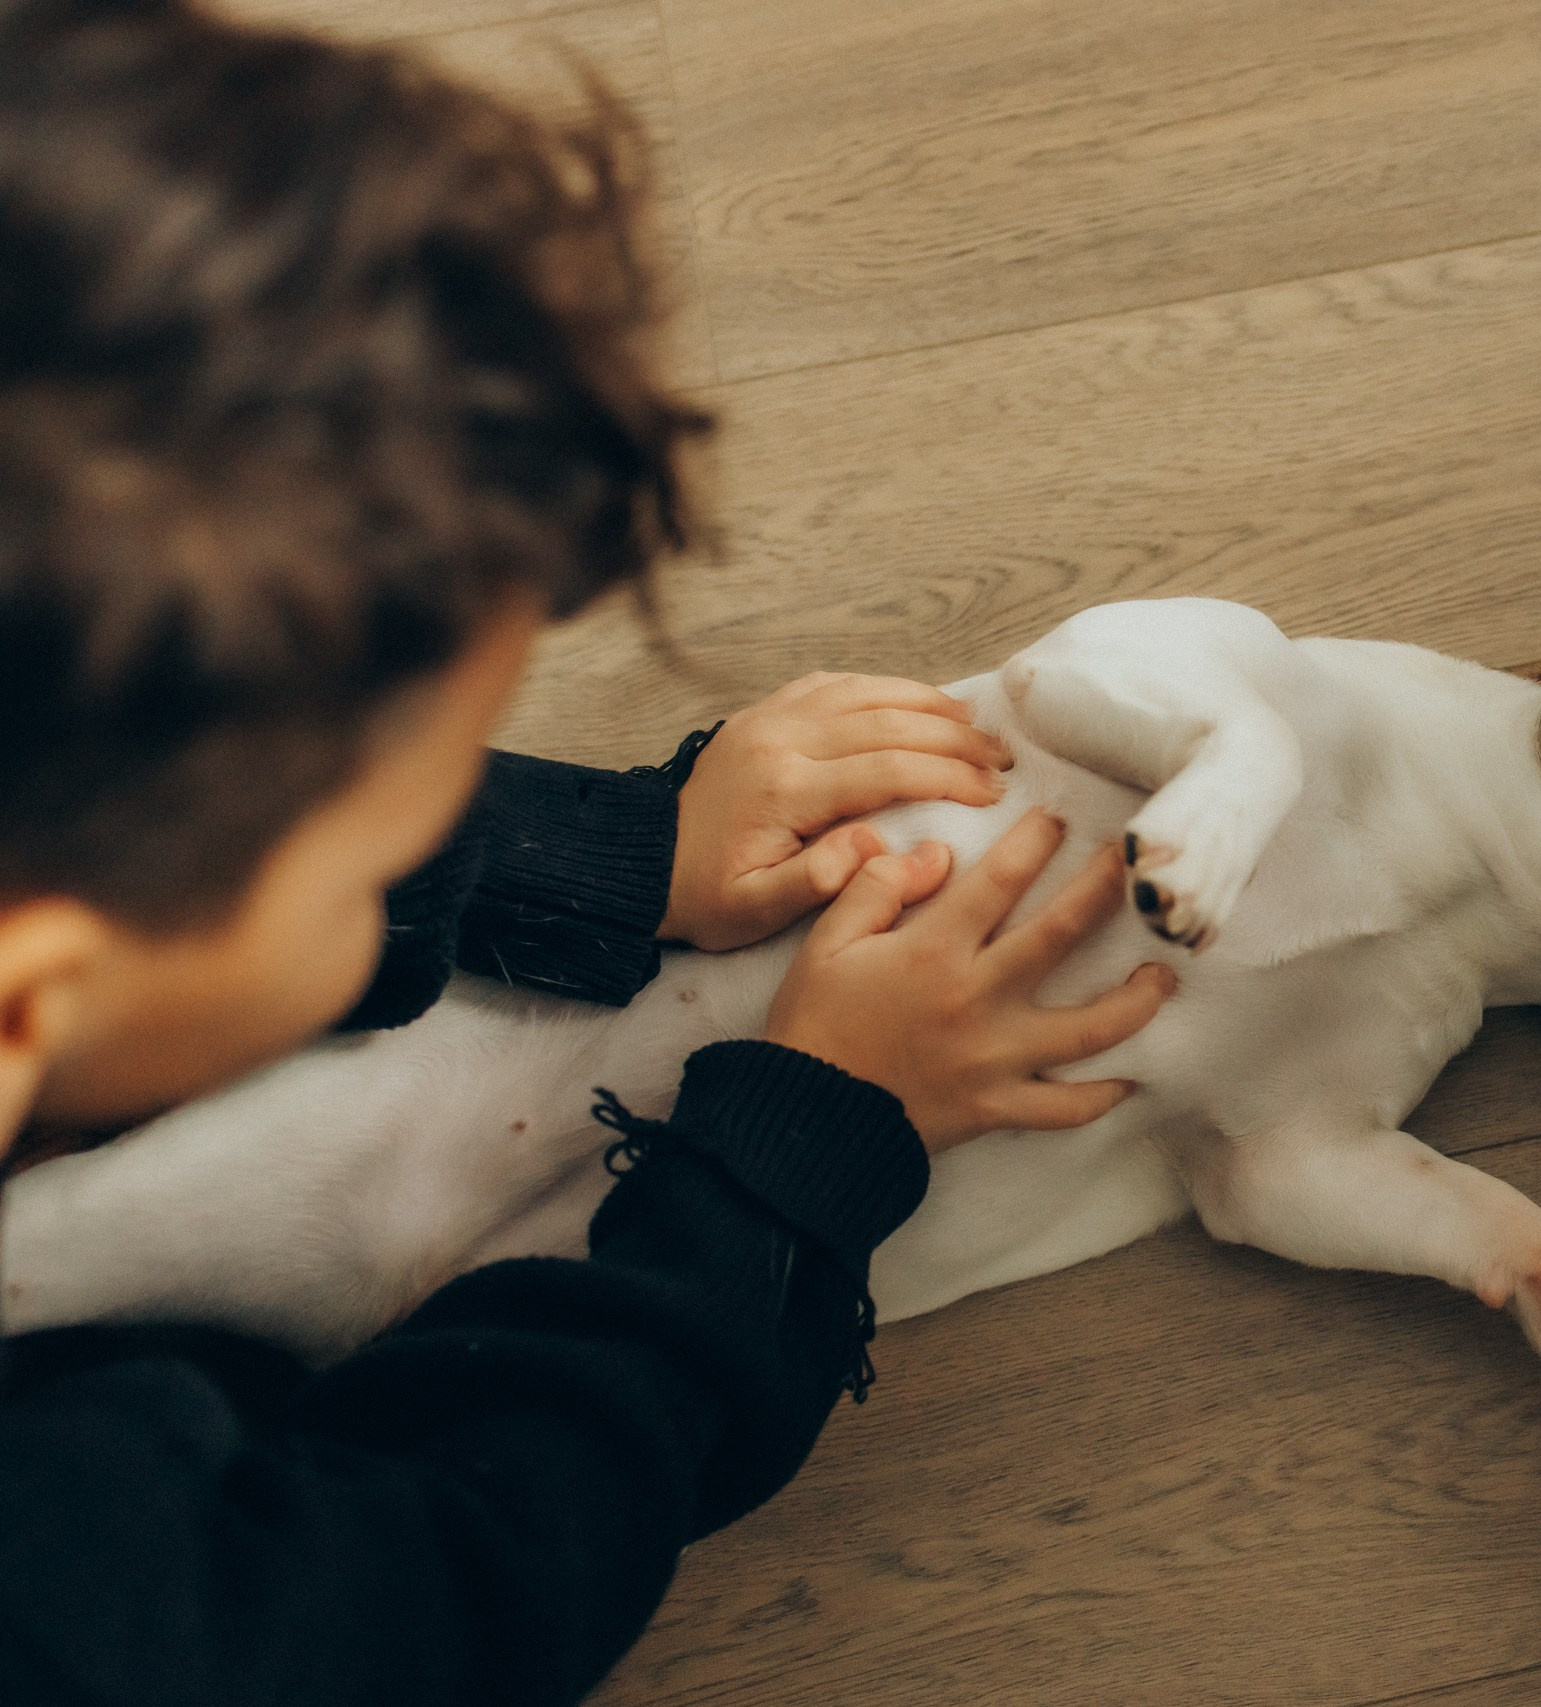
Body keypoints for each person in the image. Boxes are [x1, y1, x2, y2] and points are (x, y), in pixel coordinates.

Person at [0, 1, 1172, 1701]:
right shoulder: (105, 1606)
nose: (416, 845)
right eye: (374, 857)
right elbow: (451, 1568)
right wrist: (794, 1154)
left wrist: (618, 854)